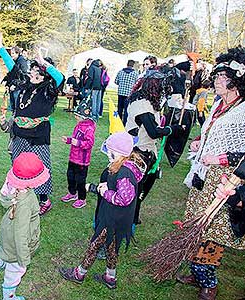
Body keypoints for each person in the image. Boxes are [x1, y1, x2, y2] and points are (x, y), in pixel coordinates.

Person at [176, 46, 245, 300]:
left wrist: (220, 158)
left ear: (236, 80)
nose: (216, 80)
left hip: (226, 178)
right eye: (215, 76)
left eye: (222, 77)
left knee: (213, 228)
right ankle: (197, 270)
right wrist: (198, 140)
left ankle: (209, 281)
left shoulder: (243, 110)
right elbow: (212, 132)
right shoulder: (218, 104)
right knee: (197, 223)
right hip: (203, 173)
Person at [58, 132, 144, 289]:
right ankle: (110, 278)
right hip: (118, 219)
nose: (108, 154)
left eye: (109, 150)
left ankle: (79, 273)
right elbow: (112, 187)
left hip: (112, 219)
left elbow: (124, 198)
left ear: (117, 152)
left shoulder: (124, 172)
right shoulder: (123, 165)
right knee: (111, 247)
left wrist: (105, 193)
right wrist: (94, 188)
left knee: (95, 245)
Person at [0, 31, 64, 215]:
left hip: (38, 137)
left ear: (44, 76)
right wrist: (1, 47)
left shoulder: (49, 91)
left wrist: (44, 62)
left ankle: (44, 199)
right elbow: (13, 68)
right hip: (19, 135)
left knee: (39, 166)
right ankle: (20, 191)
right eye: (32, 71)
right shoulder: (25, 85)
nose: (33, 74)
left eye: (37, 72)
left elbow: (59, 78)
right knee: (18, 163)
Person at [0, 152, 48, 300]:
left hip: (6, 232)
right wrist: (24, 258)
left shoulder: (13, 187)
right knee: (14, 271)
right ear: (33, 180)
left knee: (5, 255)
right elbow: (21, 234)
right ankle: (9, 296)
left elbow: (3, 197)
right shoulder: (26, 203)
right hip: (17, 242)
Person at [125, 69, 183, 225]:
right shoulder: (142, 104)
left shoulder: (146, 100)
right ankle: (130, 216)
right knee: (136, 187)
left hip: (147, 150)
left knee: (143, 186)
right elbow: (153, 132)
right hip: (138, 152)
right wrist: (173, 129)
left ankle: (133, 215)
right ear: (154, 86)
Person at [60, 98, 96, 209]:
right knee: (70, 176)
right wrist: (69, 140)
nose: (75, 117)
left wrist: (76, 142)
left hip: (82, 161)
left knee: (80, 180)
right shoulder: (79, 125)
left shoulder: (89, 128)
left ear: (84, 116)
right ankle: (72, 193)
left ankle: (82, 198)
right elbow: (75, 139)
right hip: (73, 158)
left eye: (77, 115)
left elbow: (89, 144)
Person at [5, 46, 28, 111]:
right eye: (11, 53)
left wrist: (15, 85)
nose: (11, 55)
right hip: (13, 86)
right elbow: (12, 74)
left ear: (17, 53)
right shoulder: (15, 61)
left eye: (13, 53)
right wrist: (8, 84)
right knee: (13, 107)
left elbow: (23, 76)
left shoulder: (22, 61)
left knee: (17, 107)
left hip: (18, 88)